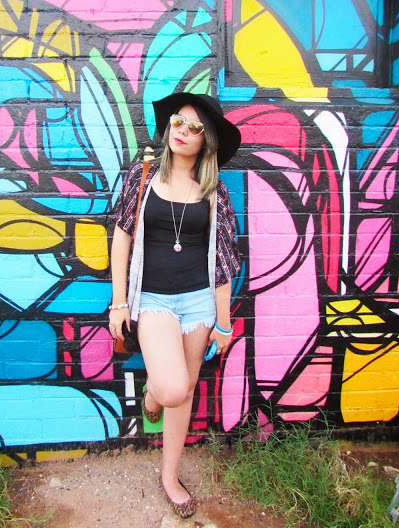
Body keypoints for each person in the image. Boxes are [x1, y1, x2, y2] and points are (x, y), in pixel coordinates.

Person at [109, 92, 241, 518]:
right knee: (172, 388)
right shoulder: (144, 175)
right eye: (177, 122)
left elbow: (223, 263)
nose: (182, 131)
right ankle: (152, 393)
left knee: (185, 392)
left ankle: (169, 476)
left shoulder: (214, 191)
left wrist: (224, 323)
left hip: (198, 302)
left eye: (194, 127)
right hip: (152, 299)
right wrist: (118, 303)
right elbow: (122, 237)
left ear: (207, 140)